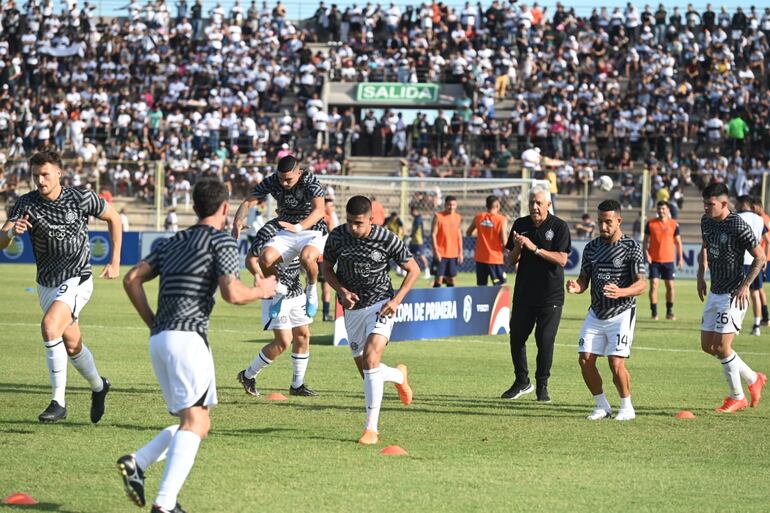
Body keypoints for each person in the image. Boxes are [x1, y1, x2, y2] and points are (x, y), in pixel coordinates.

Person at [118, 178, 277, 513]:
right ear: (224, 209)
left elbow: (131, 278)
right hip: (188, 339)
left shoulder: (173, 240)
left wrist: (153, 323)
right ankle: (164, 503)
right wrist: (262, 291)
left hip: (161, 340)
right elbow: (233, 293)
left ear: (194, 206)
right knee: (197, 423)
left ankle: (138, 462)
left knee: (195, 421)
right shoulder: (221, 241)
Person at [0, 149, 122, 423]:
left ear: (59, 173)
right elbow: (1, 240)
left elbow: (114, 218)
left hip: (77, 276)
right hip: (46, 283)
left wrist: (114, 261)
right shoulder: (25, 204)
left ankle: (58, 401)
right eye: (35, 176)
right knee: (72, 343)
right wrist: (10, 232)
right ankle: (99, 386)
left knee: (49, 326)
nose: (40, 181)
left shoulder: (81, 197)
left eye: (45, 174)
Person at [322, 195, 420, 445]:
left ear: (371, 220)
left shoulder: (386, 238)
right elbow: (327, 269)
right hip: (352, 310)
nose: (354, 228)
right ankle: (399, 376)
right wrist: (341, 291)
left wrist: (396, 300)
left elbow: (414, 269)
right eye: (350, 222)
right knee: (367, 372)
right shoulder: (337, 236)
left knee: (371, 359)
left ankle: (371, 430)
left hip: (381, 305)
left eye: (359, 223)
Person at [567, 199, 646, 421]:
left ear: (619, 220)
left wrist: (621, 292)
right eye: (600, 222)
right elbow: (584, 279)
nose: (603, 227)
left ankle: (626, 406)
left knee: (615, 362)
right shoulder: (591, 248)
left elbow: (641, 284)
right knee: (585, 359)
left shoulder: (632, 248)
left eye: (608, 222)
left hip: (621, 312)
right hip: (596, 312)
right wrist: (576, 287)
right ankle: (602, 406)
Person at [698, 183, 767, 413]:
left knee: (722, 346)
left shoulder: (738, 224)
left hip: (733, 293)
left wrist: (746, 286)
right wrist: (700, 274)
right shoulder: (706, 221)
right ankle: (754, 378)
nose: (706, 208)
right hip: (715, 291)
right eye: (705, 203)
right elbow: (705, 247)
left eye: (711, 204)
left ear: (724, 204)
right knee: (708, 346)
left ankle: (737, 397)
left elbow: (761, 258)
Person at [232, 155, 327, 319]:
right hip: (285, 225)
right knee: (264, 259)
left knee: (307, 258)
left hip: (311, 227)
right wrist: (238, 220)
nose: (284, 183)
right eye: (281, 178)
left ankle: (311, 290)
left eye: (288, 179)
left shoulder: (309, 180)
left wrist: (298, 227)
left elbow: (319, 210)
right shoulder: (273, 180)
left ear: (299, 173)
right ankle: (280, 291)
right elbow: (249, 202)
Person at [502, 186, 570, 402]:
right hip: (524, 293)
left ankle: (542, 385)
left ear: (548, 205)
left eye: (539, 203)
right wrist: (517, 247)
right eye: (531, 202)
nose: (534, 206)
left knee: (545, 340)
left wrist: (535, 248)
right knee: (517, 338)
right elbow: (511, 260)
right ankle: (522, 381)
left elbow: (562, 259)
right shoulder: (520, 224)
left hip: (550, 295)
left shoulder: (559, 227)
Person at [236, 219, 317, 397]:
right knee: (283, 341)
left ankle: (297, 385)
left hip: (296, 292)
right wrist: (262, 279)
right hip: (275, 294)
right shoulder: (269, 230)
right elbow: (251, 259)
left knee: (303, 336)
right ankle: (248, 375)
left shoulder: (305, 228)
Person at [735, 195, 770, 336]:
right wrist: (764, 259)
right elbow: (767, 240)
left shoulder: (737, 217)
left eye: (737, 203)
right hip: (756, 261)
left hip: (740, 260)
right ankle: (757, 325)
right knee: (755, 293)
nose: (736, 205)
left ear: (743, 204)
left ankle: (736, 323)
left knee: (736, 292)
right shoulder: (760, 219)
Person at [643, 201, 683, 321]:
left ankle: (669, 311)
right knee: (654, 285)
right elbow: (645, 241)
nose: (661, 211)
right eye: (659, 209)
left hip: (668, 260)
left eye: (663, 209)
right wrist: (646, 254)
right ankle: (654, 312)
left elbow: (678, 243)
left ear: (668, 210)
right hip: (654, 260)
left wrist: (680, 259)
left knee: (670, 286)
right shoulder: (650, 223)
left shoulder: (674, 224)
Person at [467, 195, 509, 286]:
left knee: (481, 287)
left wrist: (482, 233)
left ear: (487, 205)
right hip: (495, 258)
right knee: (500, 286)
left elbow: (468, 232)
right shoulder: (501, 219)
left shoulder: (479, 217)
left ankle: (482, 301)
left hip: (480, 258)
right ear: (497, 205)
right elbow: (504, 241)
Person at [431, 195, 463, 287]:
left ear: (456, 205)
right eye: (449, 204)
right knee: (439, 278)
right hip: (441, 254)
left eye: (453, 205)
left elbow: (459, 235)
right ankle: (435, 299)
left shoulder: (458, 217)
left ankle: (451, 299)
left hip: (453, 254)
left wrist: (460, 252)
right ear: (445, 205)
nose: (451, 207)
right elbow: (433, 234)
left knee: (451, 279)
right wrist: (436, 251)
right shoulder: (438, 216)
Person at [751, 197, 770, 326]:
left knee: (756, 290)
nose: (752, 210)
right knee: (759, 289)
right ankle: (765, 317)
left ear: (758, 206)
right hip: (763, 257)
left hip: (760, 258)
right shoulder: (767, 218)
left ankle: (764, 318)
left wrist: (765, 259)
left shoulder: (760, 220)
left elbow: (767, 241)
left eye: (753, 207)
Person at [321, 197, 338, 321]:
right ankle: (325, 314)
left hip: (316, 254)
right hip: (322, 255)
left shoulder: (316, 215)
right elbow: (333, 232)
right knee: (326, 287)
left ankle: (304, 312)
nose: (332, 208)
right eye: (330, 206)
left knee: (309, 283)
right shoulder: (327, 218)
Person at [408, 206, 431, 279]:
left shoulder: (418, 219)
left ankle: (427, 272)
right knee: (411, 256)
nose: (410, 213)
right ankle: (411, 271)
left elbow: (416, 229)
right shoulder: (416, 219)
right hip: (414, 241)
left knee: (421, 256)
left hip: (418, 241)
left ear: (414, 211)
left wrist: (410, 236)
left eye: (411, 211)